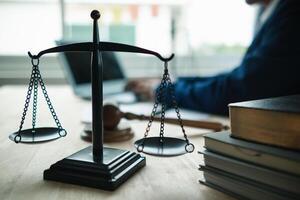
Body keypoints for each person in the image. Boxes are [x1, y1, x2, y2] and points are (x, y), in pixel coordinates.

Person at [126, 0, 300, 115]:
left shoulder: (291, 14)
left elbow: (240, 90)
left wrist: (164, 90)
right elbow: (239, 77)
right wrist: (174, 82)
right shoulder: (272, 12)